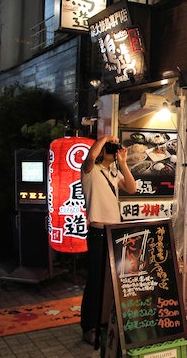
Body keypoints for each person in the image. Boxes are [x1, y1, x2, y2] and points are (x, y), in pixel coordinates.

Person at [79, 135, 137, 345]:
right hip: (97, 233)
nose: (113, 150)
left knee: (112, 282)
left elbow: (132, 188)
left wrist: (122, 163)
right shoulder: (89, 171)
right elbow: (91, 156)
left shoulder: (113, 173)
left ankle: (105, 323)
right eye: (109, 148)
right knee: (95, 282)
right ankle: (89, 327)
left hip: (115, 232)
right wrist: (104, 138)